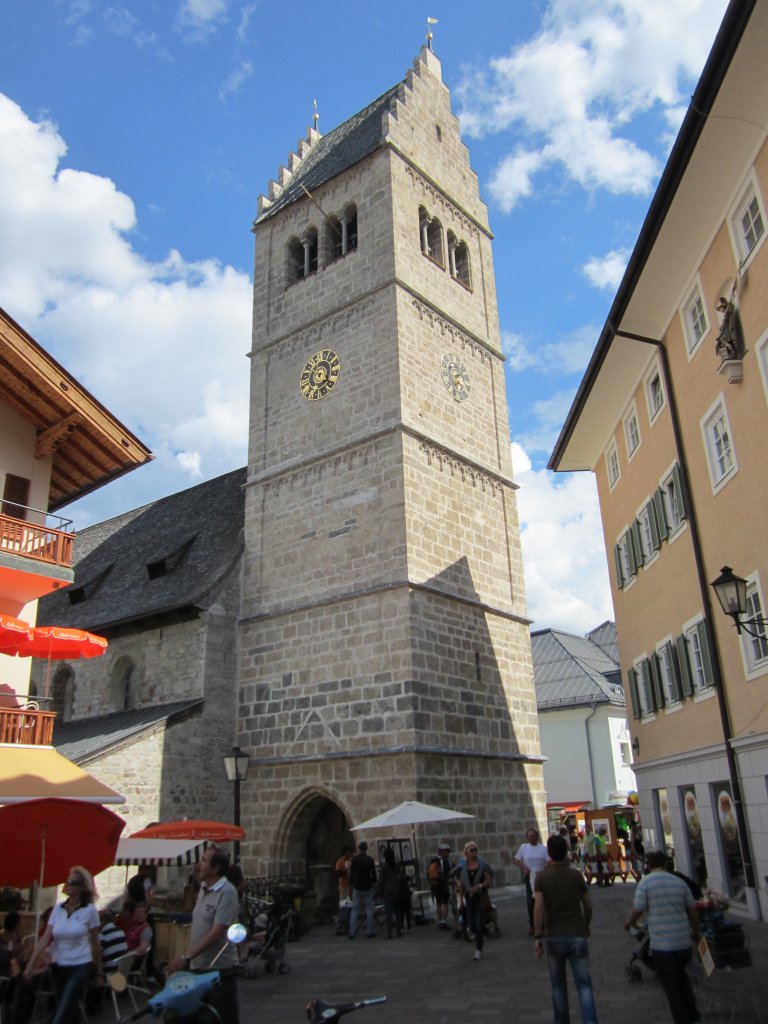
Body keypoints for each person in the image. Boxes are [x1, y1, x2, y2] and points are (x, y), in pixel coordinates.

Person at [625, 850, 700, 1024]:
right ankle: (694, 1016)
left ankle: (682, 1019)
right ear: (666, 864)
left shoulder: (645, 883)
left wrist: (630, 922)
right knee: (682, 978)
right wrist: (695, 931)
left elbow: (638, 909)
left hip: (662, 944)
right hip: (682, 942)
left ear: (648, 866)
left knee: (671, 985)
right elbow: (693, 912)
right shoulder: (679, 882)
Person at [167, 847, 240, 1024]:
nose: (199, 865)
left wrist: (186, 957)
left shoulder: (227, 892)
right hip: (199, 968)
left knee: (221, 1018)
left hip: (219, 971)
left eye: (204, 861)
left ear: (215, 868)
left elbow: (217, 931)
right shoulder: (203, 889)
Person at [23, 865, 104, 1024]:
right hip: (58, 965)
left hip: (80, 964)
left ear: (81, 887)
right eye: (66, 881)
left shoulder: (89, 910)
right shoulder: (58, 908)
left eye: (71, 882)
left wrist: (99, 973)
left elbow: (95, 942)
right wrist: (30, 965)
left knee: (62, 1013)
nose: (66, 884)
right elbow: (46, 937)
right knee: (68, 1010)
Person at [533, 834, 598, 1024]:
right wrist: (585, 925)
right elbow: (588, 905)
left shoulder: (542, 877)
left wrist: (538, 936)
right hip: (577, 934)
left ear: (549, 854)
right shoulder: (576, 875)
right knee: (584, 985)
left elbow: (538, 907)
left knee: (558, 986)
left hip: (553, 935)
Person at [458, 840, 493, 961]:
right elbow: (462, 884)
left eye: (475, 850)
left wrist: (480, 886)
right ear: (466, 852)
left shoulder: (481, 865)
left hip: (480, 897)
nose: (474, 852)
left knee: (478, 923)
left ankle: (478, 950)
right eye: (471, 850)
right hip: (469, 898)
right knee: (471, 926)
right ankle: (480, 936)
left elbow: (489, 880)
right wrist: (461, 900)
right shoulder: (464, 867)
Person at [514, 827, 550, 935]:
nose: (531, 838)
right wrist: (524, 867)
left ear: (537, 837)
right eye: (529, 836)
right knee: (530, 902)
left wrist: (543, 870)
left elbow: (549, 861)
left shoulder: (543, 849)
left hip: (541, 877)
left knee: (541, 901)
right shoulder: (524, 847)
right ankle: (532, 924)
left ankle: (543, 924)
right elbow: (516, 859)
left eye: (533, 836)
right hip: (529, 877)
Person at [348, 841, 377, 939]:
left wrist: (351, 883)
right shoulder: (370, 859)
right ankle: (370, 931)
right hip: (367, 886)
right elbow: (374, 874)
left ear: (359, 848)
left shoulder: (355, 859)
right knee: (369, 909)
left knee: (355, 909)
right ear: (366, 848)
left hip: (357, 886)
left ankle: (352, 932)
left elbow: (352, 873)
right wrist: (373, 881)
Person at [375, 847, 401, 938]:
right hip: (396, 890)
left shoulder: (384, 867)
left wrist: (378, 893)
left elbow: (381, 881)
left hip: (388, 891)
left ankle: (389, 933)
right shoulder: (397, 865)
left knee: (388, 913)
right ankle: (398, 931)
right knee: (397, 912)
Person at [430, 843, 453, 931]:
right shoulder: (445, 861)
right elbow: (450, 873)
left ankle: (440, 921)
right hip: (443, 884)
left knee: (439, 903)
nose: (448, 853)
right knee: (445, 903)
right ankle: (444, 921)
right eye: (447, 851)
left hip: (435, 885)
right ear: (443, 852)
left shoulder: (434, 860)